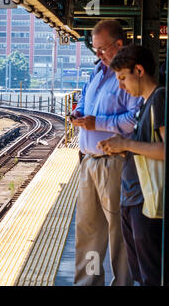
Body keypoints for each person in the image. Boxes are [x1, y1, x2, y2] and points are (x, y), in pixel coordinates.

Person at [70, 20, 141, 286]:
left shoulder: (129, 77)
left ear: (119, 45)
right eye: (95, 50)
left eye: (102, 49)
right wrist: (78, 114)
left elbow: (135, 118)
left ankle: (122, 283)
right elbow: (86, 102)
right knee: (87, 232)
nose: (98, 55)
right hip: (89, 162)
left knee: (119, 234)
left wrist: (96, 123)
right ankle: (87, 283)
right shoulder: (97, 73)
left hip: (116, 163)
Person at [97, 44, 167, 285]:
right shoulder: (145, 105)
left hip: (147, 202)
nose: (121, 85)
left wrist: (125, 144)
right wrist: (121, 145)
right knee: (140, 273)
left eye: (123, 77)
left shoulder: (160, 99)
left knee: (151, 275)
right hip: (133, 198)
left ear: (139, 70)